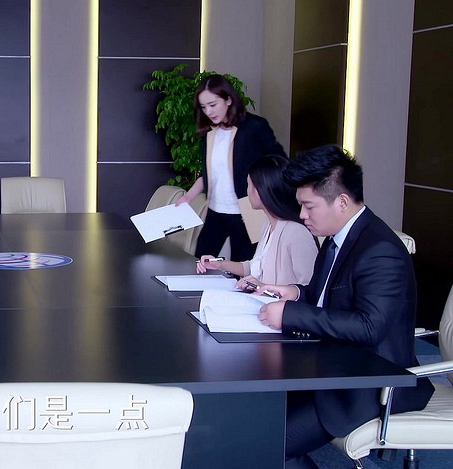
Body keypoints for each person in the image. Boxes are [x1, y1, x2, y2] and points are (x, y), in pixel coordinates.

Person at [254, 144, 434, 469]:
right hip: (329, 368)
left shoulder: (380, 250)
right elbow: (326, 297)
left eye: (308, 206)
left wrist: (291, 314)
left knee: (266, 445)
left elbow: (369, 326)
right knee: (252, 419)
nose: (302, 215)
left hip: (366, 384)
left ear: (341, 201)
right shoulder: (338, 237)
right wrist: (295, 293)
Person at [175, 74, 286, 262]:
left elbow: (279, 163)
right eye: (203, 107)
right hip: (215, 210)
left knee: (243, 269)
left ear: (228, 100)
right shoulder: (209, 132)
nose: (208, 111)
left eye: (213, 104)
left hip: (248, 212)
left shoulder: (254, 127)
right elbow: (209, 173)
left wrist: (264, 192)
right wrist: (188, 197)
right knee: (200, 262)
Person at [197, 154, 317, 286]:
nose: (247, 191)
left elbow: (308, 290)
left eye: (248, 184)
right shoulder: (268, 224)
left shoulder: (297, 234)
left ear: (261, 190)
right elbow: (254, 268)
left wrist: (261, 287)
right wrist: (219, 264)